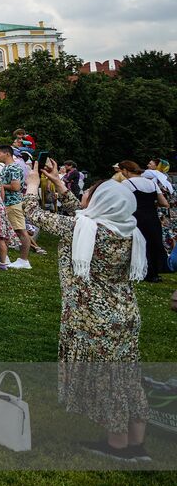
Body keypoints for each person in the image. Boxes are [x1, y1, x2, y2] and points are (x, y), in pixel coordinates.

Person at [23, 162, 150, 460]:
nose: (83, 198)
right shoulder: (129, 229)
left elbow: (34, 214)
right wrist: (59, 184)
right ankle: (137, 444)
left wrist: (32, 187)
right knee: (129, 377)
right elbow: (83, 211)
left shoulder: (83, 228)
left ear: (99, 203)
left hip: (94, 317)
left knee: (108, 381)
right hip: (126, 314)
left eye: (89, 195)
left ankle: (117, 445)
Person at [117, 160, 168, 283]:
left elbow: (121, 201)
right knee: (154, 243)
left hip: (136, 217)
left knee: (139, 244)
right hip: (152, 216)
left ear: (125, 170)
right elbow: (164, 203)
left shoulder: (126, 183)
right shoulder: (152, 183)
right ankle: (154, 273)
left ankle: (141, 270)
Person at [0, 146, 32, 268]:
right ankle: (4, 256)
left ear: (7, 154)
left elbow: (15, 187)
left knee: (21, 231)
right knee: (6, 230)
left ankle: (24, 260)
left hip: (13, 203)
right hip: (7, 203)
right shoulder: (7, 167)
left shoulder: (14, 167)